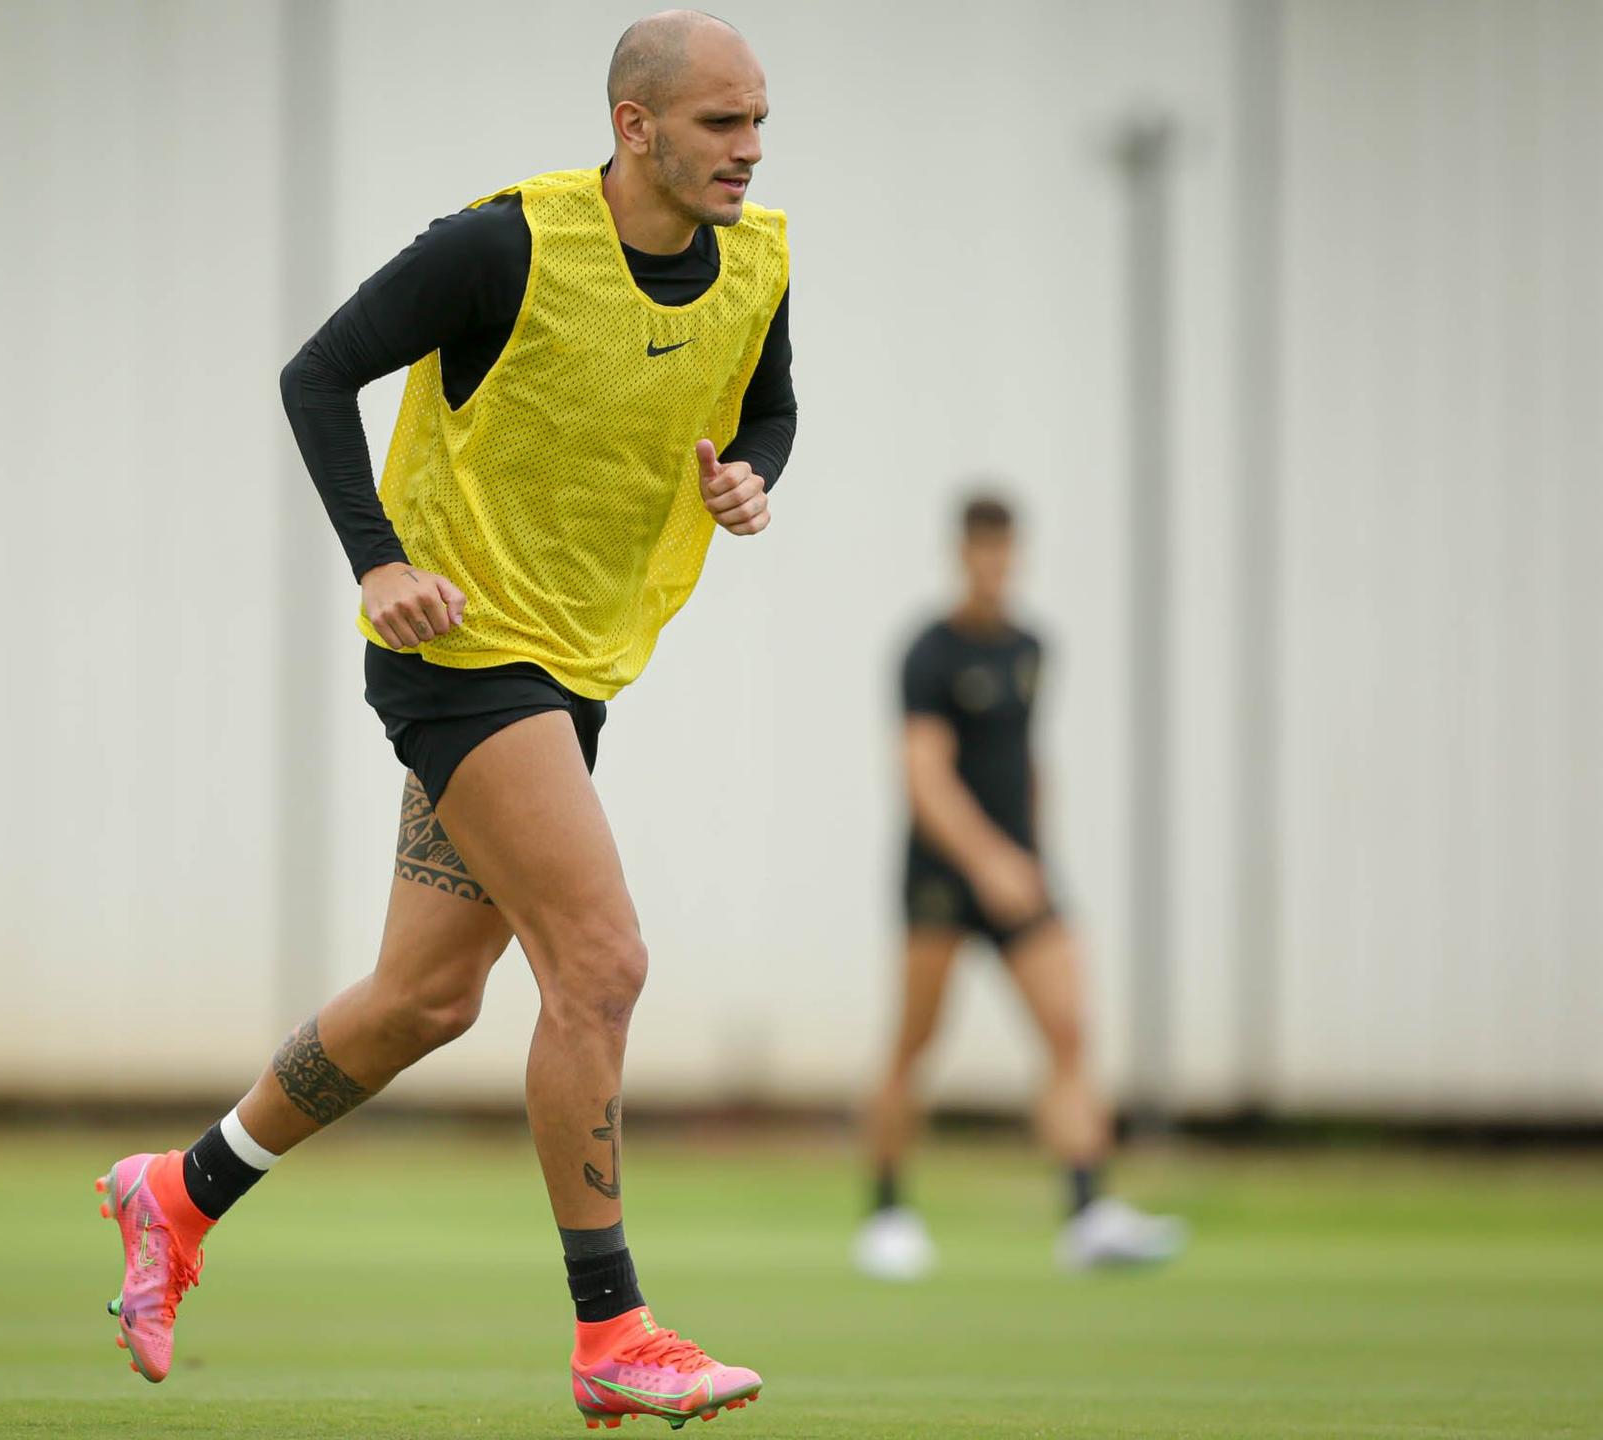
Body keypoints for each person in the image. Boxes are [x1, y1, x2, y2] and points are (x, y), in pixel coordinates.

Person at [93, 11, 792, 1429]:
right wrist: (379, 562)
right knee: (600, 964)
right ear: (635, 126)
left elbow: (770, 407)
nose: (750, 148)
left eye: (759, 120)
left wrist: (752, 480)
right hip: (465, 662)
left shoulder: (760, 261)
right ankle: (614, 1328)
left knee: (426, 998)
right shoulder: (504, 246)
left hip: (572, 670)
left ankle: (181, 1190)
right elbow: (315, 375)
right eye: (721, 124)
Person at [854, 493, 1185, 1280]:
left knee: (1069, 1028)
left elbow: (1028, 760)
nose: (996, 567)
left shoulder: (1033, 648)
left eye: (1007, 552)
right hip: (943, 875)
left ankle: (1087, 1211)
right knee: (916, 1041)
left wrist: (1036, 854)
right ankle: (887, 1212)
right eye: (983, 551)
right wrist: (988, 861)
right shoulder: (927, 653)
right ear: (962, 554)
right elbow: (924, 780)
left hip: (1022, 874)